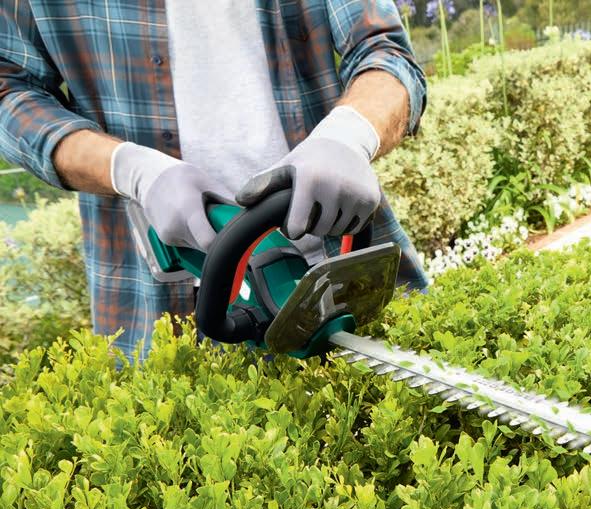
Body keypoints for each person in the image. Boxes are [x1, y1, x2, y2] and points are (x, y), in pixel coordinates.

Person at [0, 1, 428, 359]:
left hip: (336, 258)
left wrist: (348, 136)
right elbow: (10, 92)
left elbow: (383, 48)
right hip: (154, 297)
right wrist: (132, 170)